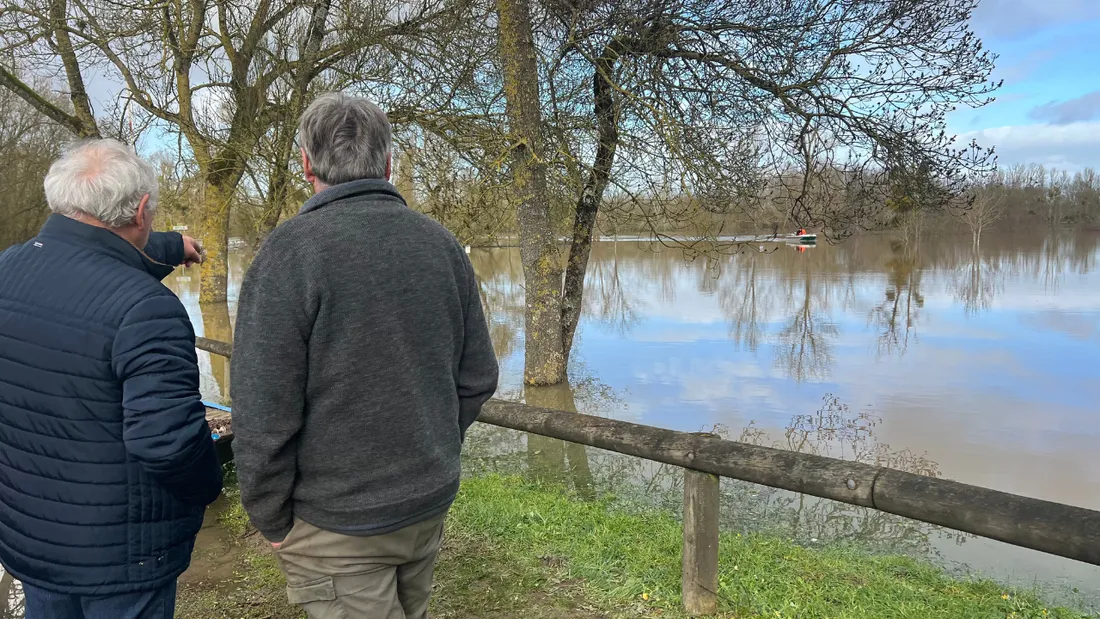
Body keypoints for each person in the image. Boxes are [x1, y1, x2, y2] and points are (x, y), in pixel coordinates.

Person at [231, 92, 499, 619]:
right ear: (388, 162)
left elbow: (263, 408)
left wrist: (269, 516)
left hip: (337, 522)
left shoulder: (289, 252)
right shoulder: (441, 245)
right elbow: (477, 379)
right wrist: (430, 448)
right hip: (424, 504)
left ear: (305, 163)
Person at [0, 139, 224, 618]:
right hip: (123, 557)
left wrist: (169, 244)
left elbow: (90, 253)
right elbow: (167, 444)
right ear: (142, 210)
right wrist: (212, 483)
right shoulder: (147, 309)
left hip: (32, 538)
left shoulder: (7, 270)